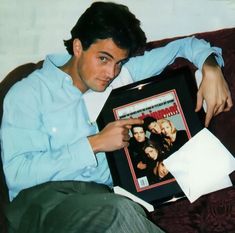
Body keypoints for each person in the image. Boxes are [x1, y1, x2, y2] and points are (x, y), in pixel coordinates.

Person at [0, 1, 233, 233]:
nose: (111, 73)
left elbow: (185, 46)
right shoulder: (27, 93)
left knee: (120, 210)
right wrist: (95, 144)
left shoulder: (123, 74)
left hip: (100, 199)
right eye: (103, 59)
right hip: (42, 203)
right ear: (78, 47)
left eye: (119, 62)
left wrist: (210, 68)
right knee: (120, 211)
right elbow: (18, 175)